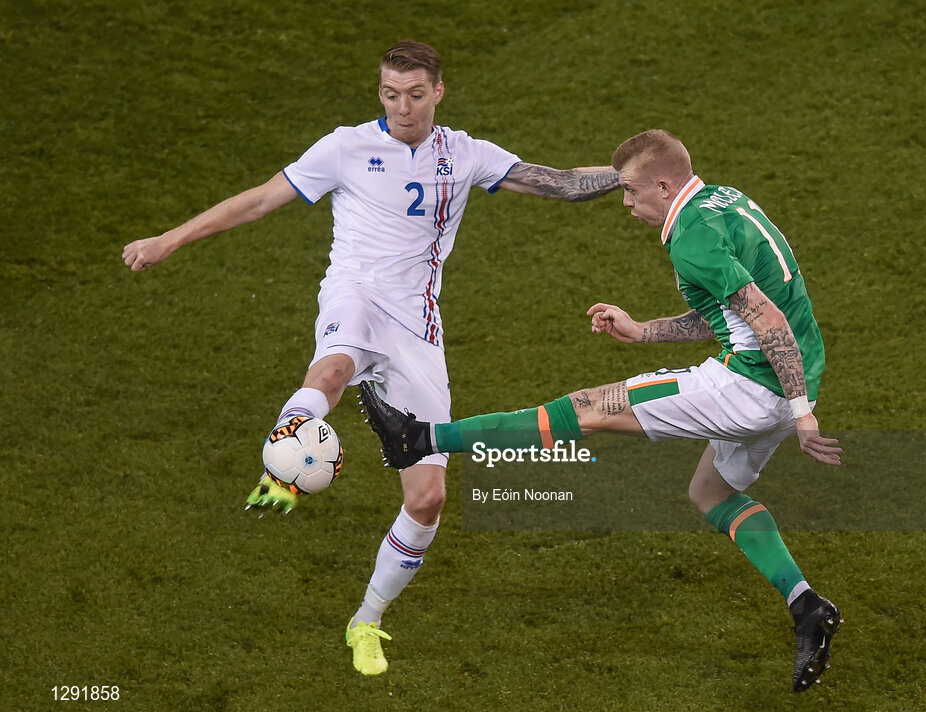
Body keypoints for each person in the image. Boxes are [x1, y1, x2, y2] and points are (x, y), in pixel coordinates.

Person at [121, 40, 619, 677]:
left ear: (439, 92)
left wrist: (636, 174)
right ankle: (287, 460)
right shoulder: (344, 148)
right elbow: (259, 200)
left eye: (415, 95)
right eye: (390, 94)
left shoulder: (467, 154)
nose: (402, 107)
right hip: (354, 294)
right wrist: (170, 239)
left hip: (417, 325)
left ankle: (366, 619)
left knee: (428, 498)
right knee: (332, 370)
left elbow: (563, 185)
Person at [359, 128, 843, 692]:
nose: (626, 203)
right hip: (797, 375)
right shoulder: (723, 201)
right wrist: (643, 331)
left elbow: (767, 320)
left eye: (632, 190)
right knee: (710, 494)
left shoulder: (692, 239)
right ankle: (807, 606)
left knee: (588, 409)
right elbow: (728, 313)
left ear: (664, 186)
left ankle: (419, 439)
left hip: (755, 389)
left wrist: (801, 414)